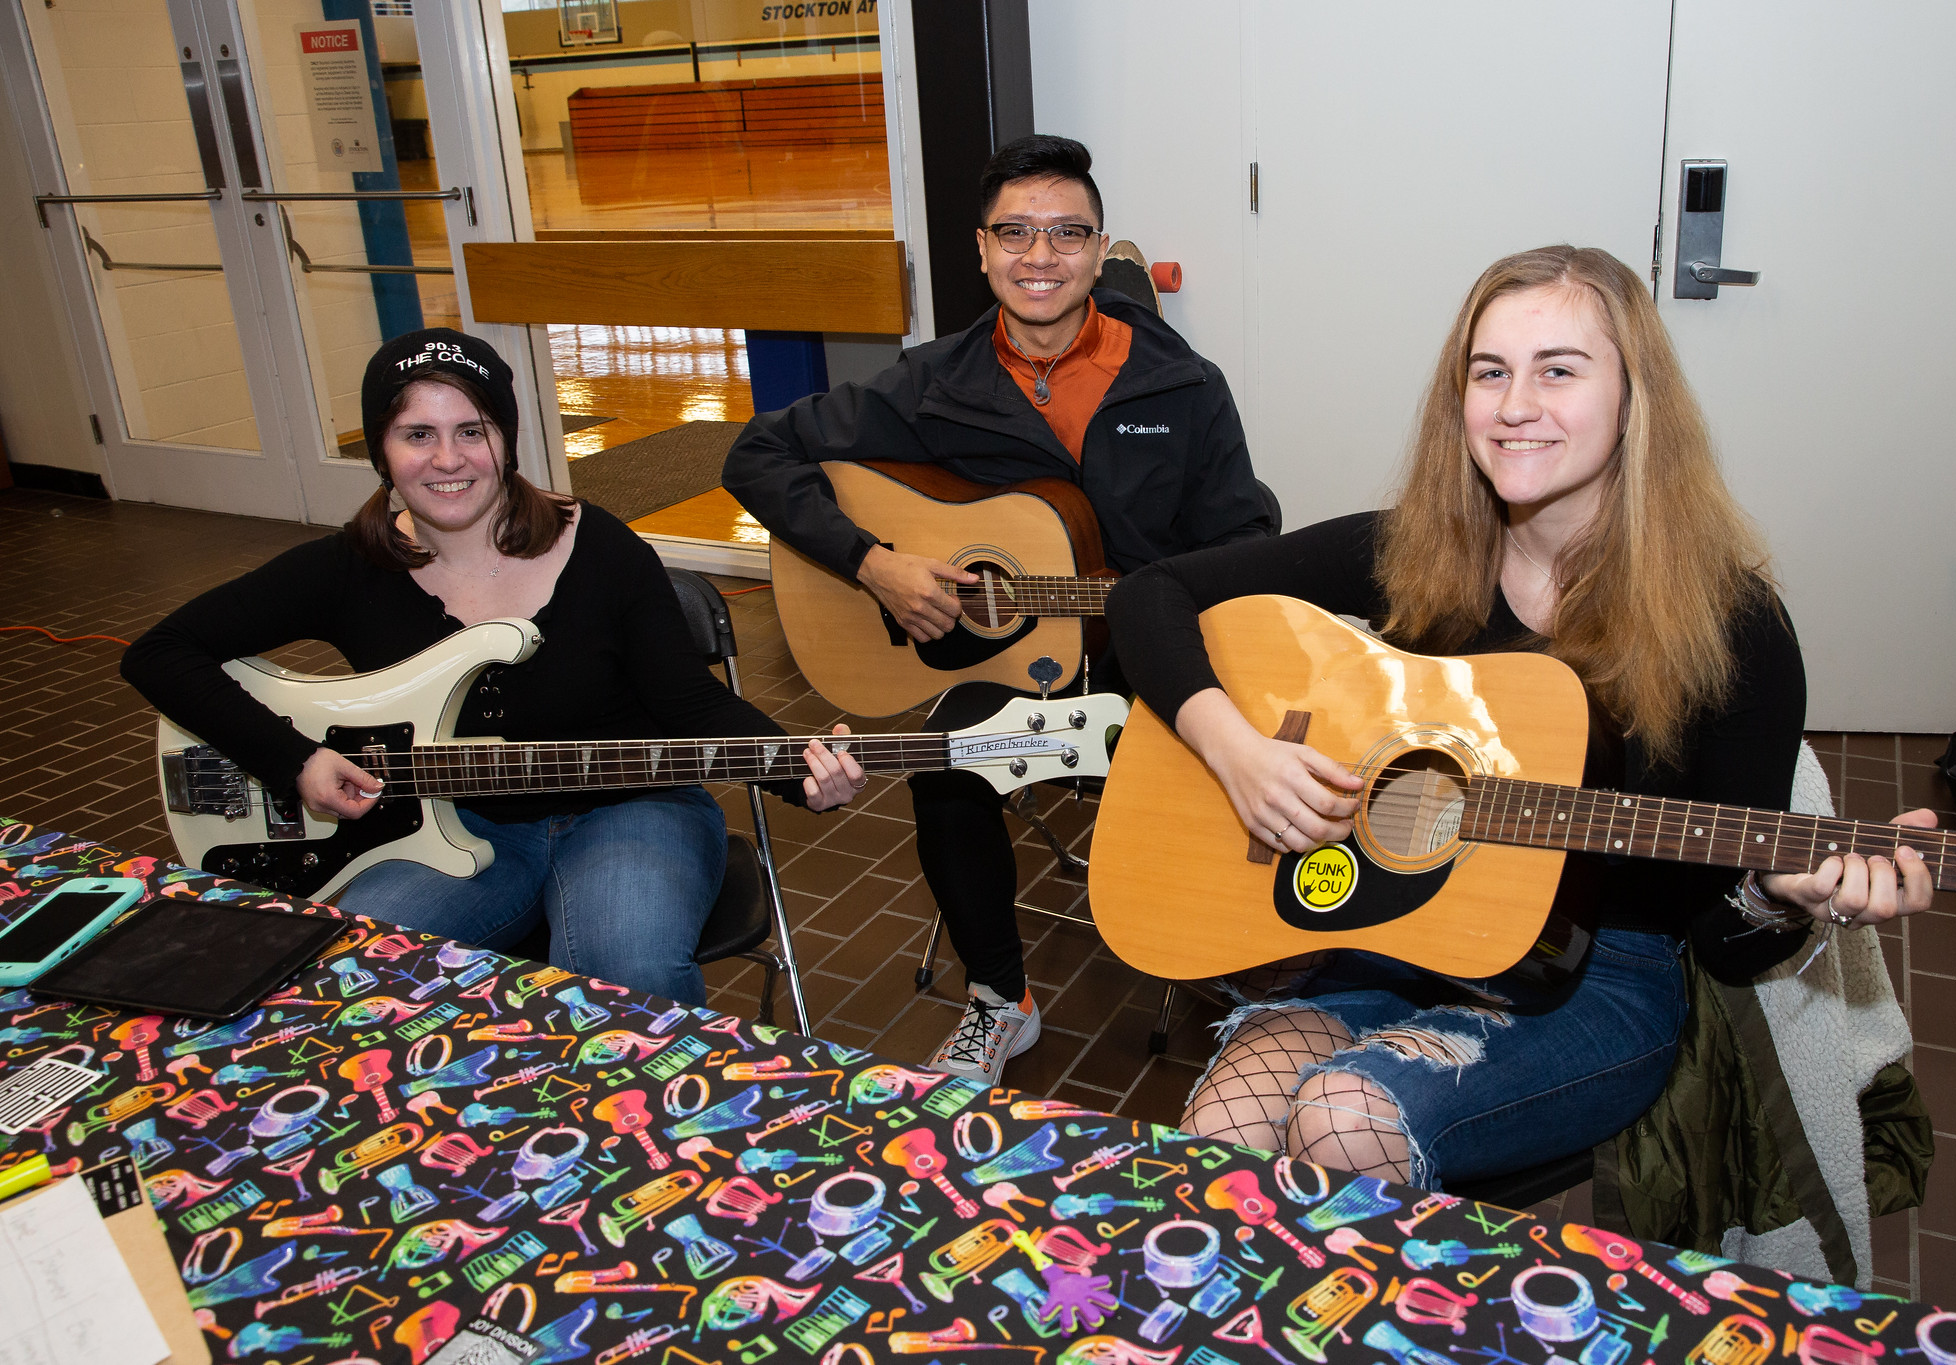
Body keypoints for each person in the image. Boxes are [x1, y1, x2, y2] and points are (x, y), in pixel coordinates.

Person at [1104, 245, 1936, 1187]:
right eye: (1489, 372)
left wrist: (1777, 895)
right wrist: (1237, 750)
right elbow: (1148, 597)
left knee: (1344, 1117)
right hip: (1390, 940)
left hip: (1596, 979)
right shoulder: (1413, 552)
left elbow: (1722, 939)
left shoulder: (1733, 628)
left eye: (1559, 371)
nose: (1513, 405)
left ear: (1635, 399)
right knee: (1223, 1132)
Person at [724, 135, 1272, 1083]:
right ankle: (998, 997)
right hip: (1013, 667)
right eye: (1014, 232)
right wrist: (875, 563)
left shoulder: (1181, 386)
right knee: (945, 769)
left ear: (1102, 252)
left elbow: (1250, 545)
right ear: (980, 251)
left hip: (1148, 654)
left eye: (1067, 232)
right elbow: (756, 456)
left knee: (1224, 753)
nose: (1040, 255)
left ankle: (1239, 965)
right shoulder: (934, 382)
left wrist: (1174, 607)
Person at [123, 328, 863, 1007]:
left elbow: (690, 704)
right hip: (444, 825)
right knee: (350, 973)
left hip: (632, 809)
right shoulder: (352, 567)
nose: (447, 460)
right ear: (380, 449)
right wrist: (295, 760)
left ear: (505, 440)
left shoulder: (599, 548)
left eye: (471, 431)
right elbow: (159, 653)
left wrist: (802, 771)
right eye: (418, 434)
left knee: (624, 973)